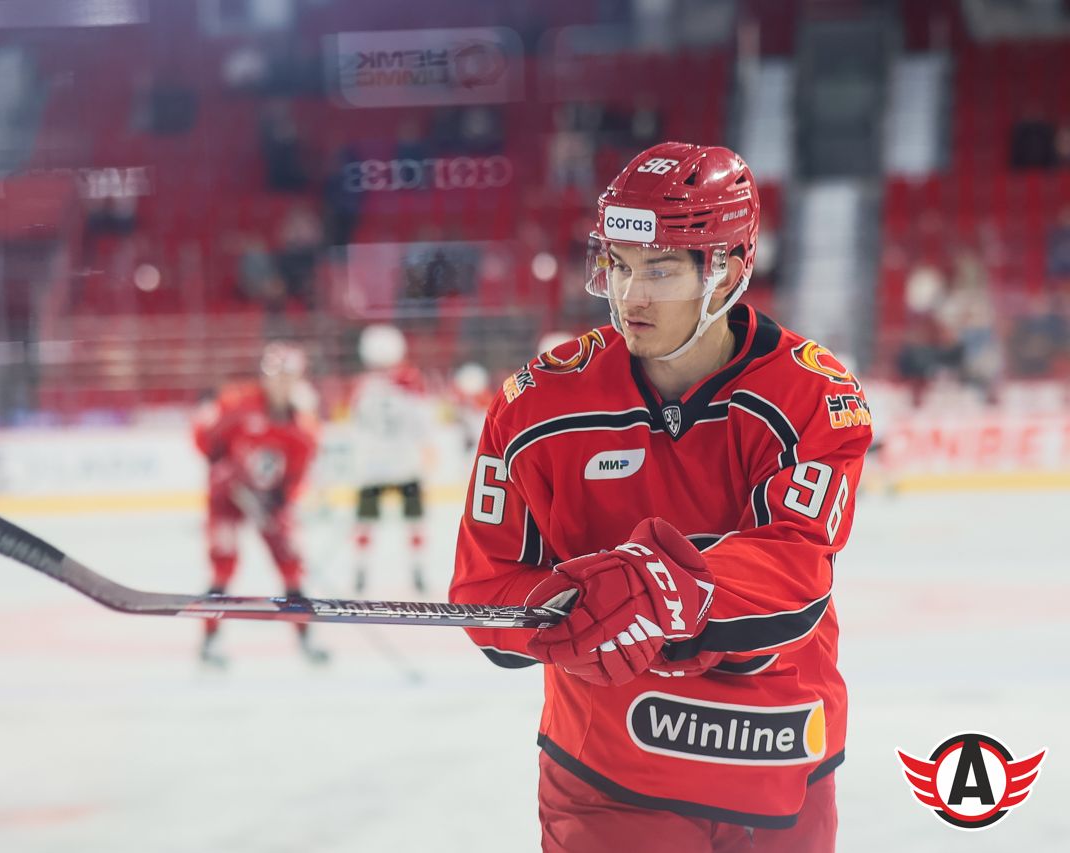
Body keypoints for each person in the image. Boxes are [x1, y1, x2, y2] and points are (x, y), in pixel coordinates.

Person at [451, 142, 872, 852]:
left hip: (776, 754)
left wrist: (660, 587)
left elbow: (797, 564)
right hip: (609, 774)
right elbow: (484, 593)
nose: (630, 296)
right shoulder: (535, 406)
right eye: (619, 265)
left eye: (660, 269)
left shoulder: (810, 393)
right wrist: (567, 610)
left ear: (728, 269)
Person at [191, 342, 325, 666]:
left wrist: (280, 503)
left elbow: (296, 477)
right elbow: (204, 436)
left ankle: (305, 637)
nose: (281, 383)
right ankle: (209, 640)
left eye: (288, 376)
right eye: (276, 375)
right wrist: (222, 468)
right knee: (224, 565)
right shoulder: (239, 404)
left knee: (290, 566)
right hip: (227, 499)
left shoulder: (302, 429)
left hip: (266, 502)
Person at [349, 324, 433, 593]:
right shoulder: (412, 384)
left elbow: (355, 423)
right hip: (405, 465)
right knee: (413, 522)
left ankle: (361, 572)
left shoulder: (363, 386)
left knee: (367, 523)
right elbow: (423, 424)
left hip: (373, 468)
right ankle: (417, 571)